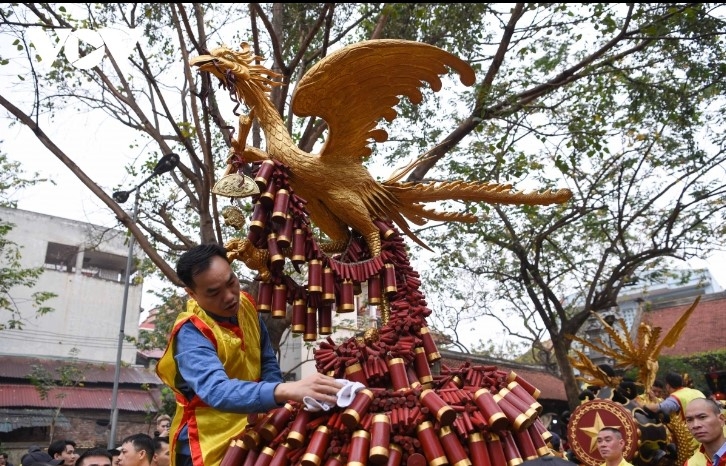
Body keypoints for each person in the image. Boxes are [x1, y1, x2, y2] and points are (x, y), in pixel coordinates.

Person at [156, 244, 344, 466]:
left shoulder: (245, 304)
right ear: (192, 293)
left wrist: (275, 409)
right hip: (206, 442)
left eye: (231, 282)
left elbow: (266, 361)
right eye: (214, 292)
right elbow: (216, 390)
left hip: (252, 427)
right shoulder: (190, 332)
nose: (229, 297)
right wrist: (285, 390)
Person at [639, 372, 705, 453]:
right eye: (654, 391)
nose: (657, 393)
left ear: (668, 386)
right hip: (708, 432)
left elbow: (660, 408)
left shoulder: (675, 397)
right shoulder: (697, 392)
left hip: (692, 439)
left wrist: (641, 407)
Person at [683, 398, 726, 466]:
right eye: (689, 420)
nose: (695, 425)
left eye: (702, 417)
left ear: (721, 419)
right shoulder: (691, 464)